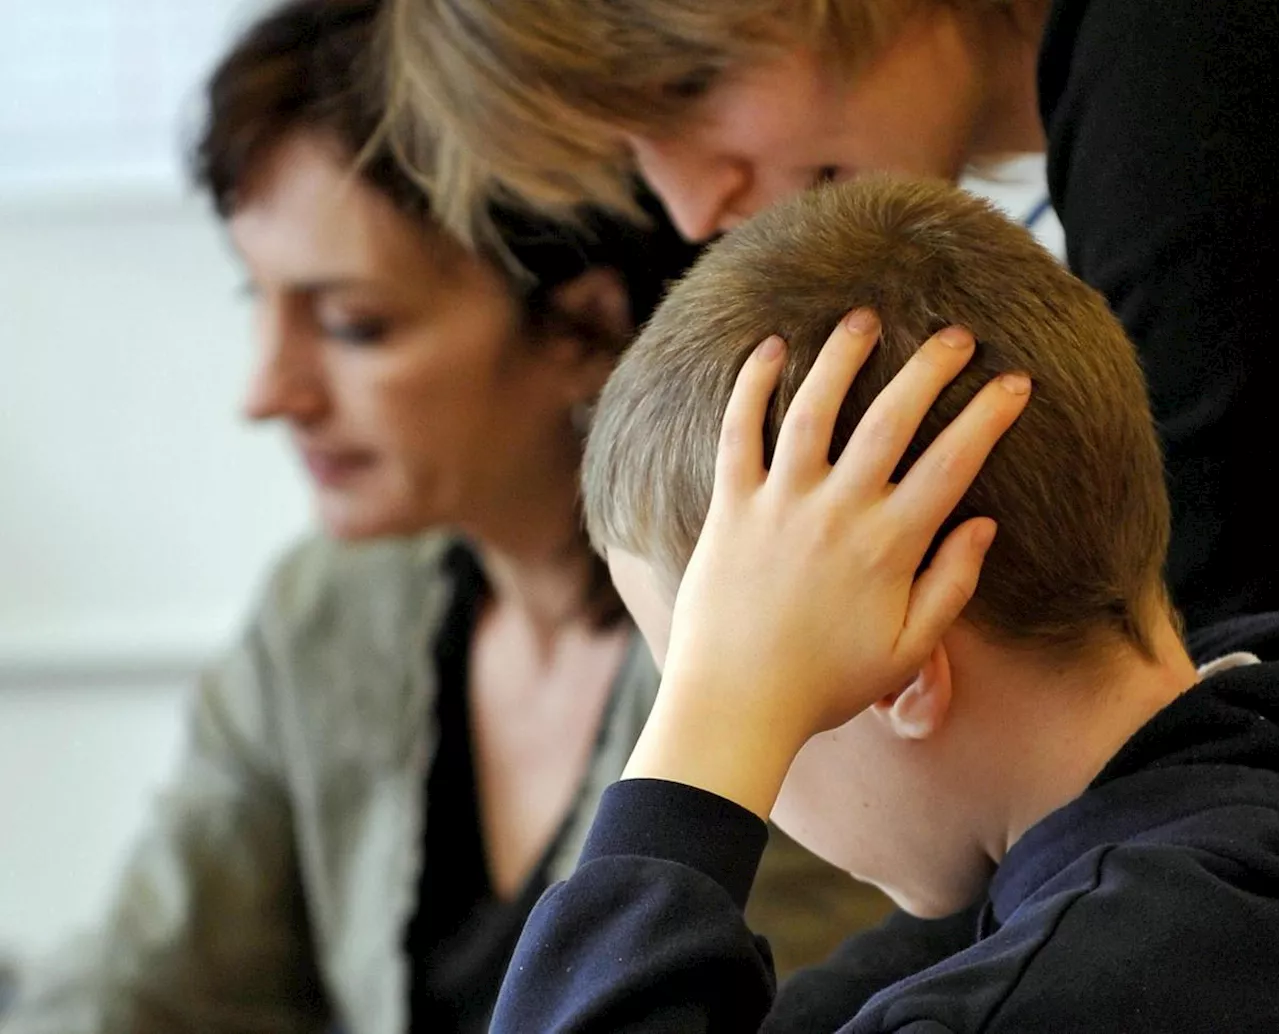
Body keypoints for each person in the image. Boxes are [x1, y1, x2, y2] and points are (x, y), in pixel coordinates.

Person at [0, 3, 885, 1032]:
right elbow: (138, 988)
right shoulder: (326, 612)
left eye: (351, 324)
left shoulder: (784, 629)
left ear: (583, 325)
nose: (267, 391)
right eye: (261, 302)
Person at [487, 177, 1280, 1031]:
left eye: (708, 678)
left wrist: (707, 746)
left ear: (899, 670)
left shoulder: (1058, 992)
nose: (702, 729)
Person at [383, 0, 1279, 637]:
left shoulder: (1182, 73)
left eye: (692, 82)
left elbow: (1209, 677)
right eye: (627, 149)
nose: (693, 208)